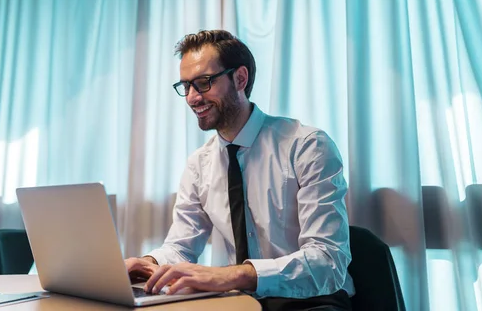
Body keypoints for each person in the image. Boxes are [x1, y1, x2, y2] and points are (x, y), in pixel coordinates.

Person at [126, 30, 355, 310]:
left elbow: (328, 262)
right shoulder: (199, 163)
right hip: (238, 302)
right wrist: (147, 263)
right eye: (185, 86)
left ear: (240, 79)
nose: (192, 98)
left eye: (203, 83)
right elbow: (181, 247)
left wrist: (231, 275)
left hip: (311, 300)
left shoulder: (307, 146)